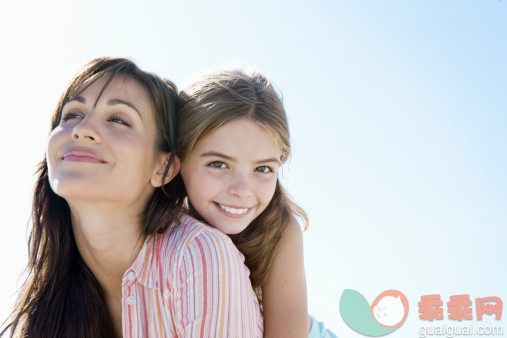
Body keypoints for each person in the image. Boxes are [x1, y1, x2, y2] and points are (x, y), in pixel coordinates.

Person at [1, 58, 262, 337]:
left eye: (118, 119)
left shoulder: (198, 256)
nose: (82, 129)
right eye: (72, 115)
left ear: (163, 168)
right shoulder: (49, 292)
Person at [177, 69, 337, 337]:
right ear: (177, 158)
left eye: (262, 169)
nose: (242, 190)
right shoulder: (156, 221)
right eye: (218, 164)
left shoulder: (279, 229)